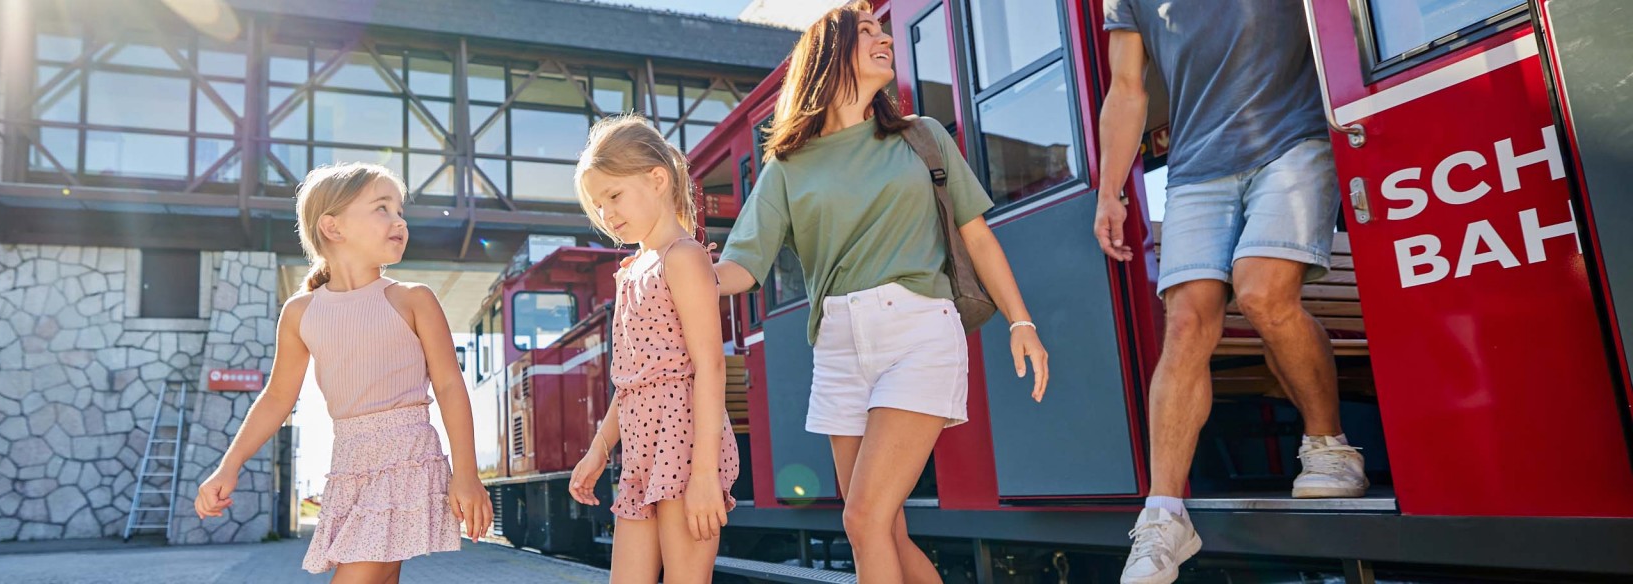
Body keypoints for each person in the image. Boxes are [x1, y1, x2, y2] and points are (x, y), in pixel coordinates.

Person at [713, 4, 1048, 582]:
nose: (884, 38)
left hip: (919, 331)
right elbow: (741, 268)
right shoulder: (787, 167)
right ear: (828, 57)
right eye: (865, 32)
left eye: (883, 30)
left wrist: (1022, 322)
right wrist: (670, 269)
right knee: (881, 529)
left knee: (864, 517)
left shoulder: (922, 137)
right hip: (838, 346)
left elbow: (977, 237)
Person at [1092, 1, 1367, 582]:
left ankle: (1329, 445)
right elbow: (1126, 88)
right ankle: (1164, 517)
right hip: (1196, 169)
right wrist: (1109, 191)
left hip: (1294, 139)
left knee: (1262, 291)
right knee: (1186, 324)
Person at [194, 163, 492, 583]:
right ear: (332, 227)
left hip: (407, 458)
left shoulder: (413, 299)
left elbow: (448, 386)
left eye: (400, 210)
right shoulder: (300, 312)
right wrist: (229, 466)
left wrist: (467, 475)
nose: (399, 221)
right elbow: (277, 397)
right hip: (348, 464)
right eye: (382, 208)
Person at [567, 115, 741, 584]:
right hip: (640, 450)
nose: (607, 214)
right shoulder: (630, 271)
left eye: (614, 195)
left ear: (658, 179)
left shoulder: (683, 258)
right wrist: (599, 449)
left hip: (685, 445)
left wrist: (703, 475)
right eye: (598, 205)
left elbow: (709, 367)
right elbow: (632, 380)